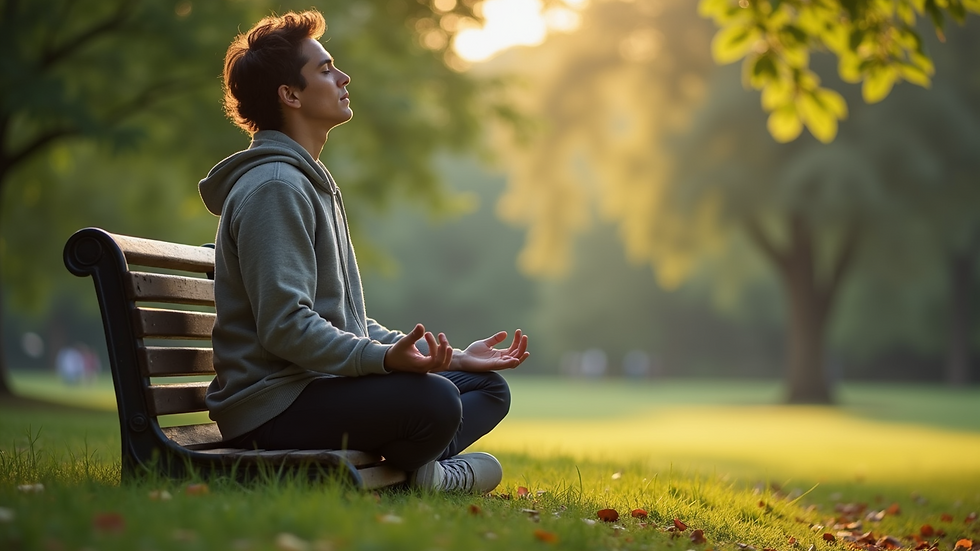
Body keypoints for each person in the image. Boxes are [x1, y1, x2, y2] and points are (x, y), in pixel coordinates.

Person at [198, 10, 529, 494]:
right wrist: (384, 361)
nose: (343, 76)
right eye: (326, 69)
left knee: (484, 387)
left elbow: (345, 320)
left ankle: (423, 471)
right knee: (435, 403)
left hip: (314, 388)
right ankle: (427, 475)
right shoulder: (275, 188)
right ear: (290, 95)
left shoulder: (306, 182)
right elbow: (285, 326)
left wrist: (454, 358)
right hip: (274, 409)